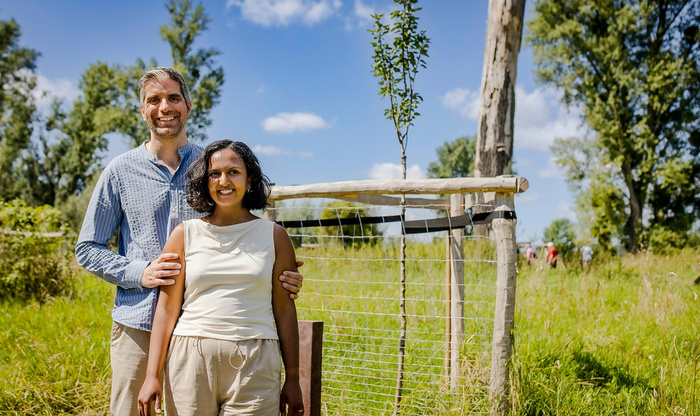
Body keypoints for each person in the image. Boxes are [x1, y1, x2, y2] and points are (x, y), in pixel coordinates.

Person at [75, 67, 304, 416]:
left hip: (206, 326)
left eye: (173, 97)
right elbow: (87, 248)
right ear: (142, 110)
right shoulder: (119, 171)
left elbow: (240, 232)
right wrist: (141, 272)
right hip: (139, 322)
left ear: (188, 106)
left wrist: (275, 270)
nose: (164, 107)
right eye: (154, 99)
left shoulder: (212, 166)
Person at [138, 140, 303, 416]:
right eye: (214, 173)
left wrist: (294, 378)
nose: (223, 181)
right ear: (205, 181)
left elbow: (285, 309)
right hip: (190, 359)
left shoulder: (275, 236)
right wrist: (152, 375)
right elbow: (166, 309)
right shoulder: (184, 234)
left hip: (256, 361)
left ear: (250, 179)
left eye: (233, 172)